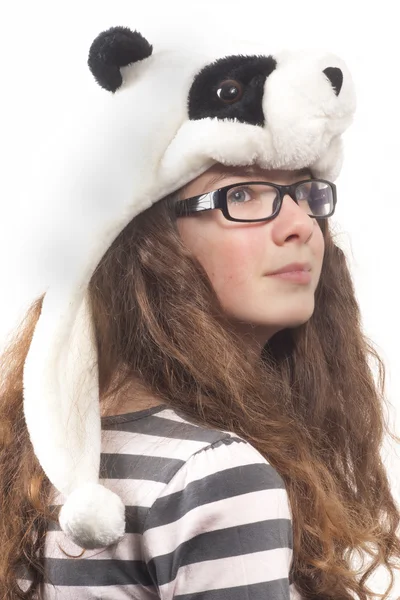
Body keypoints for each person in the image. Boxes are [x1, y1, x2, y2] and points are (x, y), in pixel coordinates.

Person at [0, 24, 399, 600]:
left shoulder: (33, 464)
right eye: (242, 194)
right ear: (152, 242)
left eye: (304, 193)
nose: (300, 227)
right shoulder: (212, 476)